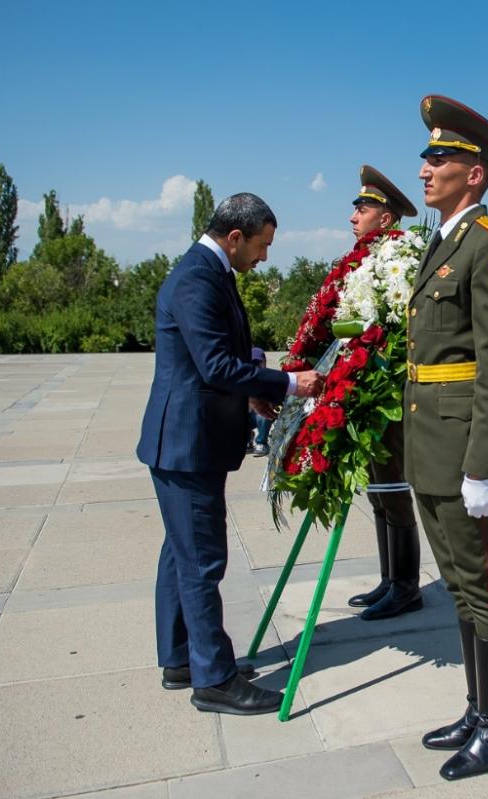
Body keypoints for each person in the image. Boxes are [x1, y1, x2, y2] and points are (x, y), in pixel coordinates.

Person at [136, 193, 322, 716]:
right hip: (187, 444)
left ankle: (181, 659)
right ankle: (214, 679)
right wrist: (288, 383)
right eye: (261, 245)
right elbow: (216, 365)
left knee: (180, 553)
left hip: (186, 441)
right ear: (234, 237)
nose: (264, 256)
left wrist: (254, 389)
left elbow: (222, 356)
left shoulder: (208, 272)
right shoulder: (198, 278)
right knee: (201, 560)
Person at [403, 95, 488, 779]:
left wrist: (482, 465)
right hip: (431, 444)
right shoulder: (445, 242)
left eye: (439, 158)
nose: (424, 169)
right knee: (457, 582)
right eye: (426, 157)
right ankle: (479, 705)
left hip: (463, 451)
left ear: (473, 173)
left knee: (484, 584)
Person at [342, 165, 426, 621]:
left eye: (364, 207)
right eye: (355, 207)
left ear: (387, 218)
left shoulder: (402, 254)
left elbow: (400, 320)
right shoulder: (362, 258)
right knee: (377, 486)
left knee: (393, 484)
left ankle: (408, 586)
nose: (355, 216)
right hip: (365, 387)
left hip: (390, 391)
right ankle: (389, 579)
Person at [247, 347, 272, 457]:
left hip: (263, 415)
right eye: (253, 363)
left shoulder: (270, 379)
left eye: (258, 363)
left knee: (263, 414)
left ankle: (262, 443)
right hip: (247, 416)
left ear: (264, 363)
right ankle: (247, 439)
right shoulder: (242, 380)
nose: (256, 366)